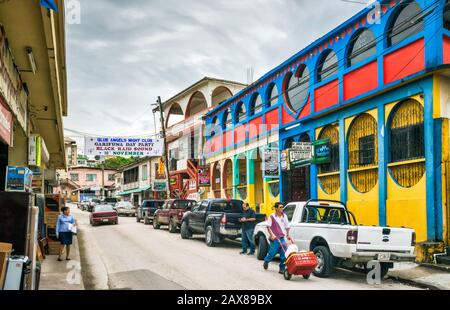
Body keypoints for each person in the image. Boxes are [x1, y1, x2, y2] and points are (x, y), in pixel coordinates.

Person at [263, 202, 292, 274]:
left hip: (282, 238)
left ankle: (281, 268)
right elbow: (268, 227)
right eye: (280, 207)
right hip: (275, 238)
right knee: (272, 253)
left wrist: (288, 235)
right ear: (276, 208)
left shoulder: (284, 216)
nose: (282, 208)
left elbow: (287, 226)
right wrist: (272, 235)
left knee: (284, 254)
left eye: (282, 207)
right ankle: (266, 261)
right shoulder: (272, 216)